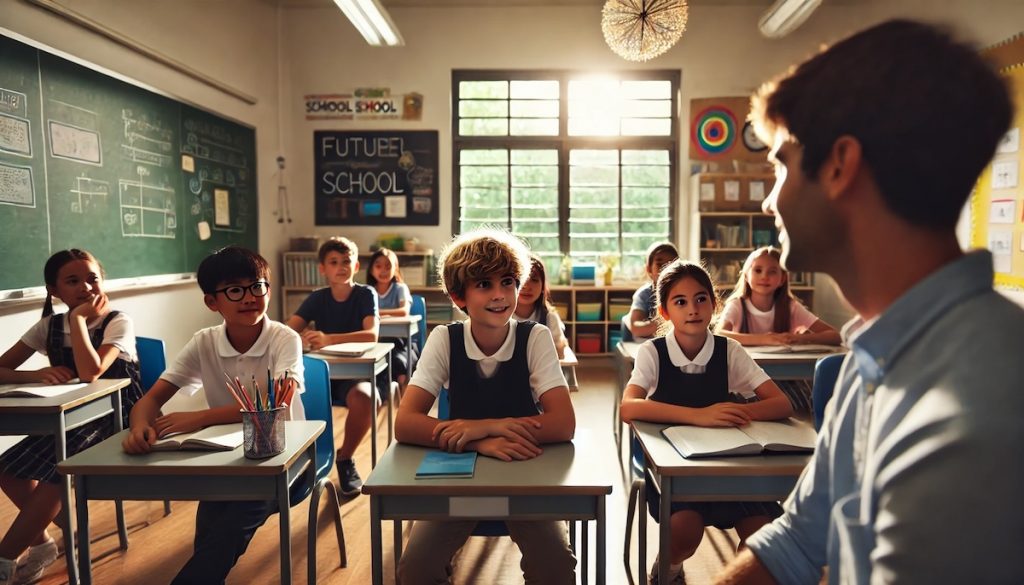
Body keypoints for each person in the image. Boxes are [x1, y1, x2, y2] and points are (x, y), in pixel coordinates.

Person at [714, 19, 1024, 585]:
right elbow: (797, 541)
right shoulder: (876, 354)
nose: (769, 202)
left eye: (781, 165)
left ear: (839, 165)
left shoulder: (974, 415)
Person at [393, 228, 577, 585]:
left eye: (508, 282)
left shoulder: (534, 337)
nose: (500, 295)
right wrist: (480, 443)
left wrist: (480, 427)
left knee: (555, 566)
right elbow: (405, 423)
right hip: (457, 474)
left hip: (526, 473)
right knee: (415, 569)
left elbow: (563, 423)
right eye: (484, 285)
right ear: (459, 297)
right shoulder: (445, 338)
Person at [122, 246, 303, 585]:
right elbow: (151, 400)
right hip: (224, 459)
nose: (249, 297)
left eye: (257, 286)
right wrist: (139, 427)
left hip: (281, 458)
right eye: (235, 290)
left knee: (233, 519)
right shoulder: (204, 342)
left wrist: (202, 417)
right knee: (213, 523)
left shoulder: (284, 338)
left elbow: (277, 400)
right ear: (212, 302)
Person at [620, 259, 792, 584]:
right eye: (680, 302)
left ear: (714, 305)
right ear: (665, 311)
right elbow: (628, 408)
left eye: (701, 299)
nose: (693, 309)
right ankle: (667, 571)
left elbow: (779, 403)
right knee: (685, 531)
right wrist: (700, 416)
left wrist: (736, 412)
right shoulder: (653, 352)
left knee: (763, 539)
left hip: (733, 465)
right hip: (675, 471)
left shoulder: (729, 351)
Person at [0, 249, 144, 585]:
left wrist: (79, 320)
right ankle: (45, 543)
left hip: (117, 415)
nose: (86, 287)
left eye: (93, 278)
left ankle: (4, 557)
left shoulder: (117, 320)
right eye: (73, 281)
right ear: (54, 290)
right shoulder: (48, 326)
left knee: (56, 471)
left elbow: (92, 371)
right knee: (6, 471)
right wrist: (34, 376)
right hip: (67, 415)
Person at [285, 236, 380, 496]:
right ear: (322, 269)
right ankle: (301, 461)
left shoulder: (365, 294)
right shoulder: (318, 298)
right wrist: (301, 337)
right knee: (287, 394)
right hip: (320, 376)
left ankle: (345, 457)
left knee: (366, 398)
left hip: (353, 374)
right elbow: (287, 331)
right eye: (333, 262)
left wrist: (328, 338)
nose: (341, 266)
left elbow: (371, 334)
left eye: (346, 261)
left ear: (357, 266)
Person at [716, 246, 841, 347]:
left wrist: (800, 338)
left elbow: (835, 335)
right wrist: (766, 339)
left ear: (782, 279)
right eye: (758, 270)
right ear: (746, 276)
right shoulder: (737, 305)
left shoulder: (791, 306)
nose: (764, 276)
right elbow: (720, 334)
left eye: (772, 271)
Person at [366, 247, 418, 384]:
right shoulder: (368, 291)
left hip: (400, 343)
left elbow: (403, 311)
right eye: (378, 266)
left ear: (395, 269)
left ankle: (402, 400)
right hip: (376, 342)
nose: (383, 270)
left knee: (398, 363)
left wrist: (374, 314)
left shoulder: (400, 288)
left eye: (388, 266)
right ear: (371, 270)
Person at [514, 254, 569, 358]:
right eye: (522, 279)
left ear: (543, 287)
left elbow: (560, 353)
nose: (527, 286)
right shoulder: (502, 316)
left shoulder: (550, 318)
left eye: (534, 280)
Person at [626, 242, 679, 341]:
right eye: (659, 264)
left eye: (671, 264)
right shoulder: (644, 295)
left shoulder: (683, 291)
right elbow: (635, 327)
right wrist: (669, 322)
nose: (666, 270)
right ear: (649, 269)